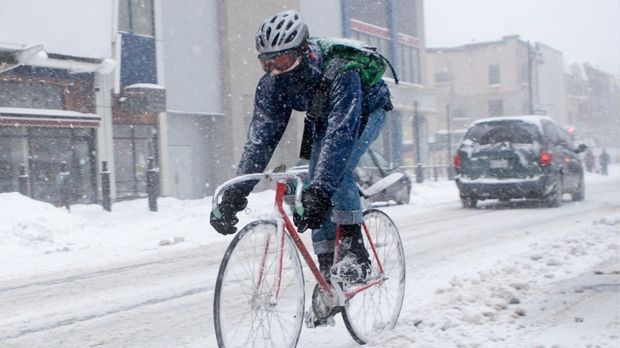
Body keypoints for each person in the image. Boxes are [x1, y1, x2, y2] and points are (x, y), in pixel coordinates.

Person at [210, 10, 393, 284]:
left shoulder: (341, 71)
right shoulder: (272, 87)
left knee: (333, 174)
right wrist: (235, 194)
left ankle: (355, 252)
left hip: (367, 109)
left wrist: (321, 191)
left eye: (282, 60)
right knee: (312, 185)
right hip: (324, 115)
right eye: (266, 63)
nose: (275, 70)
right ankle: (328, 273)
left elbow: (341, 135)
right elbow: (260, 142)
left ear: (303, 52)